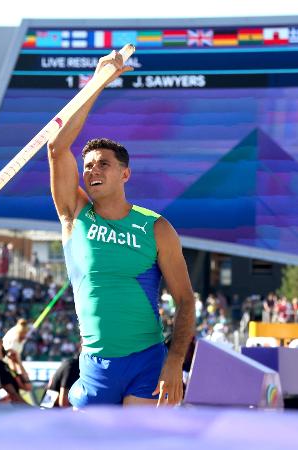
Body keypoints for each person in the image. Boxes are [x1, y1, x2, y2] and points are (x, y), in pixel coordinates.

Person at [47, 49, 195, 408]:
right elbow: (56, 146)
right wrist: (97, 82)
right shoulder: (75, 215)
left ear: (125, 173)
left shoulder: (155, 228)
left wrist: (175, 361)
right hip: (97, 364)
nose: (92, 171)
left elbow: (186, 300)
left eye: (103, 165)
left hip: (146, 360)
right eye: (88, 166)